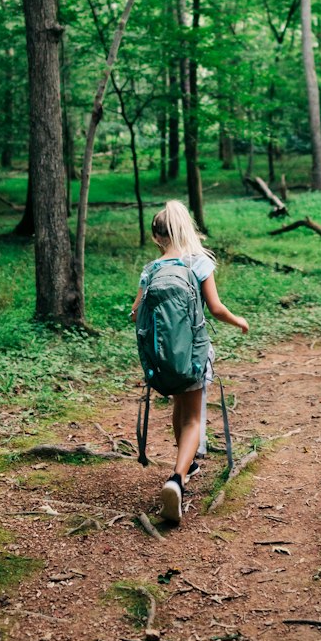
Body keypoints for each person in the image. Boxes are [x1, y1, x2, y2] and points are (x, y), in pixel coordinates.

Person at [131, 200, 249, 523]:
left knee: (179, 410)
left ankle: (188, 465)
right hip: (194, 357)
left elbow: (135, 313)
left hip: (163, 361)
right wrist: (238, 320)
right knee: (194, 419)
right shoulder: (199, 262)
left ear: (157, 237)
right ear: (186, 227)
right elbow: (215, 308)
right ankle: (177, 478)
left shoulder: (151, 270)